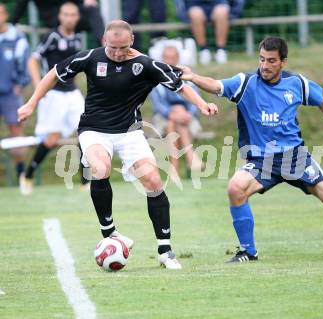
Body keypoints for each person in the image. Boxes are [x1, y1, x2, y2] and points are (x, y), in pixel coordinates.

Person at [18, 20, 218, 269]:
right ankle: (110, 233)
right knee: (100, 169)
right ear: (104, 41)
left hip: (130, 132)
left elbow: (180, 85)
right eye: (112, 47)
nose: (117, 53)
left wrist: (202, 105)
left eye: (122, 47)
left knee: (154, 182)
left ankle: (165, 251)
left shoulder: (145, 64)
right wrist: (31, 103)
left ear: (131, 41)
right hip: (93, 130)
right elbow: (54, 74)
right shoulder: (91, 57)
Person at [181, 36, 323, 262]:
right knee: (236, 188)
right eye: (262, 59)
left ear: (283, 62)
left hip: (295, 158)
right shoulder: (246, 83)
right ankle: (248, 252)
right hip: (263, 162)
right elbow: (216, 85)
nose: (264, 66)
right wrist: (193, 77)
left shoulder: (297, 84)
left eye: (271, 61)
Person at [20, 2, 88, 195]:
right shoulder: (52, 36)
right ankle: (28, 175)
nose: (69, 18)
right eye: (66, 14)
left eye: (73, 14)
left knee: (85, 132)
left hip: (72, 94)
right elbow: (32, 59)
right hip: (54, 94)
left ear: (77, 17)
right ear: (60, 16)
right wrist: (38, 87)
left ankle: (86, 182)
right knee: (52, 139)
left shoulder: (77, 38)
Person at [150, 45, 204, 180]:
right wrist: (172, 113)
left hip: (187, 118)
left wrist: (186, 114)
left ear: (178, 58)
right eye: (167, 58)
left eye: (172, 58)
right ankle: (191, 157)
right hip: (163, 118)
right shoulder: (156, 77)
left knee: (174, 122)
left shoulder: (187, 75)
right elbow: (158, 106)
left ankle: (174, 170)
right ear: (162, 59)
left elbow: (196, 101)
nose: (169, 62)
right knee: (172, 120)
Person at [0, 3, 30, 183]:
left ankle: (21, 175)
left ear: (5, 15)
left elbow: (24, 67)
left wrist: (19, 86)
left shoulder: (17, 39)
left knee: (16, 130)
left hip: (10, 93)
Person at [12, 0, 104, 46]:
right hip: (54, 19)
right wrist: (12, 24)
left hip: (72, 16)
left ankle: (104, 44)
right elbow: (21, 4)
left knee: (92, 9)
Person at [179, 0, 230, 65]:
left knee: (221, 12)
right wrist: (184, 17)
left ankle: (221, 50)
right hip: (194, 4)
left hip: (218, 3)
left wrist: (233, 14)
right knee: (195, 13)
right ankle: (204, 50)